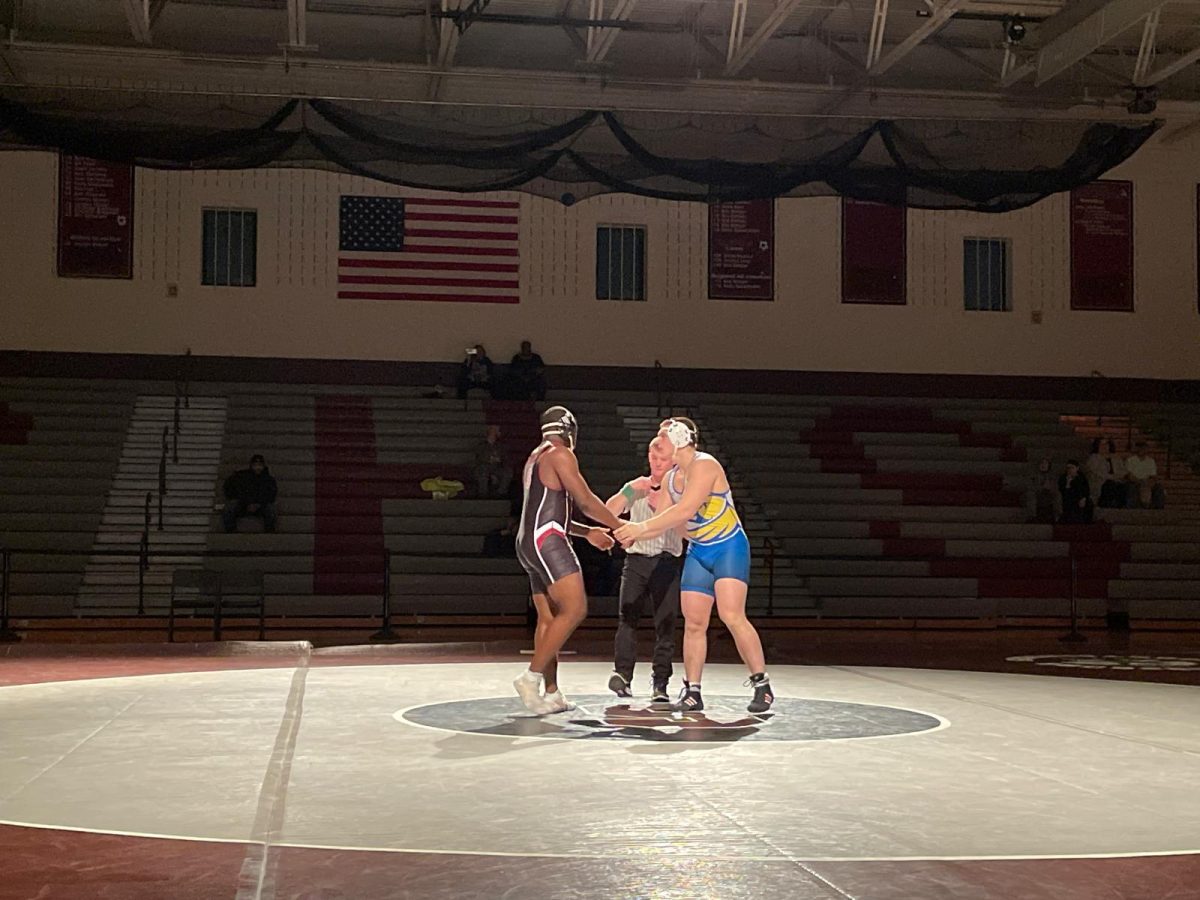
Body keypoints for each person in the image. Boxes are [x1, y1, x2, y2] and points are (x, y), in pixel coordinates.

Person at [614, 418, 773, 714]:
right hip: (700, 550)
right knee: (695, 622)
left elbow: (685, 510)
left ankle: (761, 683)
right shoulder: (673, 478)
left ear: (680, 438)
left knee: (731, 614)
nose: (657, 447)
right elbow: (660, 522)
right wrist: (629, 532)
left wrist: (638, 529)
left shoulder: (705, 465)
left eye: (662, 439)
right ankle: (693, 690)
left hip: (727, 546)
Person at [512, 406, 625, 715]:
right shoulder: (561, 455)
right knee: (575, 608)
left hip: (529, 541)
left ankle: (551, 692)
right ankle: (531, 677)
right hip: (547, 542)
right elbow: (586, 501)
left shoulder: (536, 456)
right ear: (569, 430)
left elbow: (547, 510)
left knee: (549, 619)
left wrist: (587, 533)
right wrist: (621, 526)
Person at [605, 436, 685, 704]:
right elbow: (608, 511)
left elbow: (670, 522)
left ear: (673, 461)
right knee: (627, 617)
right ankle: (623, 675)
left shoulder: (678, 489)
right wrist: (630, 492)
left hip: (666, 561)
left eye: (664, 460)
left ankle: (660, 682)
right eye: (655, 459)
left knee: (666, 624)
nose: (658, 464)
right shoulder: (636, 486)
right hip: (637, 562)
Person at [222, 454, 278, 533]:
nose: (258, 468)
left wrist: (259, 504)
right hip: (243, 505)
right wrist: (245, 503)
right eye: (255, 465)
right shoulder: (242, 476)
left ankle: (270, 531)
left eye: (260, 465)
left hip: (261, 506)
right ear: (251, 466)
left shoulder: (269, 480)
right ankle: (230, 531)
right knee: (230, 507)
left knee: (271, 509)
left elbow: (271, 495)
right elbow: (228, 486)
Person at [473, 425, 511, 499]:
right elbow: (479, 459)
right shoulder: (481, 446)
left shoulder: (500, 446)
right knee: (483, 472)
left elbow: (504, 458)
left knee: (507, 472)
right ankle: (483, 495)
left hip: (497, 467)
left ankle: (500, 493)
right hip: (484, 467)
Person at [1124, 442, 1165, 509]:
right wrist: (1139, 482)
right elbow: (1129, 475)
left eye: (1143, 448)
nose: (1142, 450)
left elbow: (1153, 476)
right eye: (1140, 448)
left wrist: (1148, 483)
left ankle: (1157, 508)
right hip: (1135, 481)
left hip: (1147, 482)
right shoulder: (1130, 460)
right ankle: (1133, 507)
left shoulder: (1151, 461)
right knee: (1131, 487)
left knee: (1159, 487)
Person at [1058, 460, 1093, 524]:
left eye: (1072, 468)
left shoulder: (1082, 478)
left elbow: (1086, 490)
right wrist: (1068, 483)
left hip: (1080, 499)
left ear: (1077, 468)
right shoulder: (1063, 478)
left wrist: (1084, 498)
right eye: (1068, 468)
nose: (1070, 470)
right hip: (1068, 500)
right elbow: (1063, 491)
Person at [1028, 457, 1057, 524]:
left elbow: (1055, 487)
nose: (1043, 465)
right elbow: (1030, 487)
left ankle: (1057, 516)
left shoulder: (1052, 476)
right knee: (1031, 494)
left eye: (1045, 463)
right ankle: (1032, 516)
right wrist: (1041, 487)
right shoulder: (1033, 475)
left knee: (1057, 495)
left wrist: (1049, 488)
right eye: (1041, 463)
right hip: (1036, 494)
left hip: (1048, 495)